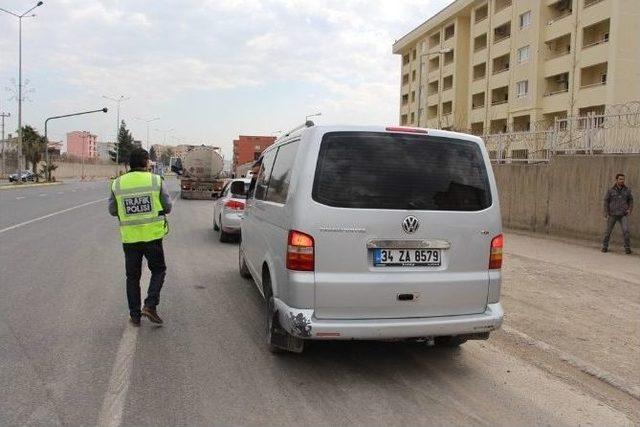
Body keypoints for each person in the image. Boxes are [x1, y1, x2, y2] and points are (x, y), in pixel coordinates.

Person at [109, 148, 173, 325]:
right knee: (159, 270)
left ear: (129, 163)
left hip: (130, 239)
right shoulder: (156, 180)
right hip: (152, 237)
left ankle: (135, 316)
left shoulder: (118, 184)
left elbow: (112, 210)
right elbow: (167, 207)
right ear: (146, 162)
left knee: (132, 277)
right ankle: (150, 305)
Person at [602, 173, 633, 254]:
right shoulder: (610, 190)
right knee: (608, 231)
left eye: (623, 179)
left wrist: (629, 209)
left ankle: (627, 248)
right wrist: (606, 212)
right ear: (616, 180)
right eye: (620, 179)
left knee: (626, 231)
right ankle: (605, 246)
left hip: (623, 215)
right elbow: (606, 201)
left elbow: (630, 200)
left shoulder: (627, 190)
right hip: (612, 214)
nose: (622, 181)